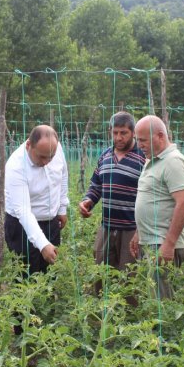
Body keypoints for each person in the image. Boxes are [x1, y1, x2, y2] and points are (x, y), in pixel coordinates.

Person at [78, 112, 146, 293]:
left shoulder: (143, 158)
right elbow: (96, 185)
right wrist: (87, 202)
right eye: (115, 132)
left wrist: (141, 230)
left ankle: (129, 318)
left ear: (133, 133)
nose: (119, 137)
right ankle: (97, 316)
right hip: (107, 226)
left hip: (131, 229)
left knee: (130, 277)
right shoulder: (105, 156)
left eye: (123, 132)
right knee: (99, 272)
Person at [129, 115, 184, 299]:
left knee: (163, 304)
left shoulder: (173, 161)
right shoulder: (152, 160)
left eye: (142, 140)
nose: (139, 145)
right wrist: (139, 232)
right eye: (137, 140)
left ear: (160, 136)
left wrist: (169, 244)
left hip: (163, 244)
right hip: (151, 242)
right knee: (155, 299)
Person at [5, 124, 69, 277]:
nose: (47, 161)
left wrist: (61, 208)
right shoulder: (15, 166)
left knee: (50, 275)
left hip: (51, 222)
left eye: (51, 157)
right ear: (29, 145)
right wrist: (43, 244)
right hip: (22, 227)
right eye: (42, 157)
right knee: (27, 277)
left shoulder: (55, 148)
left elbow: (63, 175)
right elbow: (23, 212)